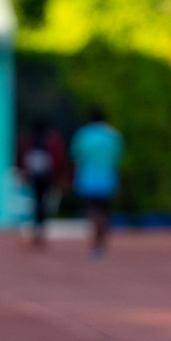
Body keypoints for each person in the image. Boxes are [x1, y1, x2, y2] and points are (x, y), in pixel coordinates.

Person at [70, 109, 124, 258]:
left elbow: (77, 159)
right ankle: (101, 243)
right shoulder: (113, 136)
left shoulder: (83, 135)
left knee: (93, 211)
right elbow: (117, 161)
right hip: (108, 179)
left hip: (88, 179)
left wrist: (74, 178)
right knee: (105, 212)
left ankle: (95, 243)